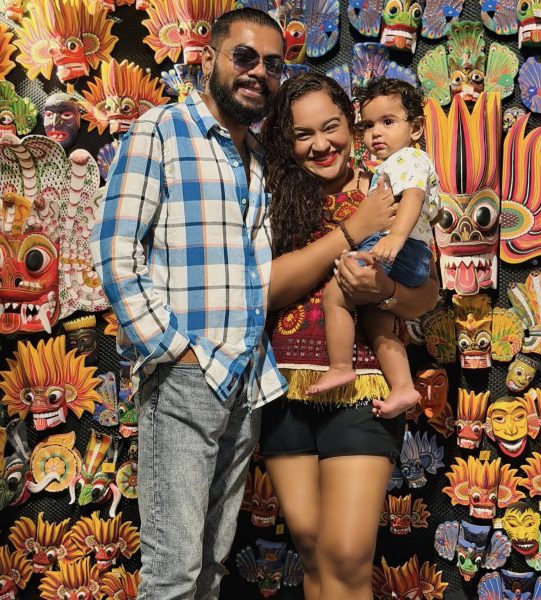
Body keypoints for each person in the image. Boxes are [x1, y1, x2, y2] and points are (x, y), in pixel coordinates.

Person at [91, 10, 396, 600]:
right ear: (208, 58)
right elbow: (114, 250)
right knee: (174, 572)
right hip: (186, 375)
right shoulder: (161, 130)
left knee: (210, 565)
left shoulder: (256, 158)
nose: (259, 72)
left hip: (247, 379)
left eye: (272, 64)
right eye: (245, 57)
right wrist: (172, 349)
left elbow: (254, 278)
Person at [261, 73, 439, 600]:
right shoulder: (268, 199)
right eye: (303, 134)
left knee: (345, 555)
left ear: (352, 126)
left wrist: (385, 291)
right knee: (311, 549)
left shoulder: (390, 185)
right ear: (286, 140)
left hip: (365, 389)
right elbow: (261, 290)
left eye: (331, 127)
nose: (321, 145)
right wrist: (352, 229)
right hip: (282, 388)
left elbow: (426, 295)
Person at [307, 78, 439, 419]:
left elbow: (414, 197)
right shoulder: (396, 164)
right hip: (409, 252)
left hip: (400, 249)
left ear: (416, 128)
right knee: (378, 320)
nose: (375, 133)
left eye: (388, 122)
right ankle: (403, 387)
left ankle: (340, 366)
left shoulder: (408, 159)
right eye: (367, 125)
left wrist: (395, 237)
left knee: (336, 294)